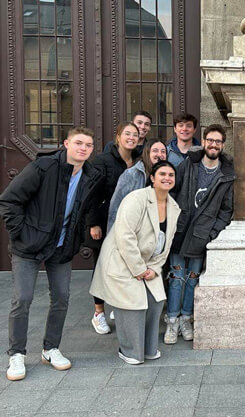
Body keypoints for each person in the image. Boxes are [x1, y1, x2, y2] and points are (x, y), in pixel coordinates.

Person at [0, 127, 103, 381]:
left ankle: (50, 348)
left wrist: (77, 238)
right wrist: (21, 233)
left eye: (88, 145)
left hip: (61, 246)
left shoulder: (91, 175)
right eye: (78, 143)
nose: (83, 148)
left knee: (62, 298)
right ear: (66, 143)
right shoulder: (43, 167)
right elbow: (9, 200)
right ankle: (17, 354)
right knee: (22, 299)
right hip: (30, 244)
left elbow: (85, 208)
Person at [90, 161, 180, 364]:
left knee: (156, 300)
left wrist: (153, 269)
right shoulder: (136, 199)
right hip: (122, 260)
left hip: (148, 264)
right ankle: (130, 351)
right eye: (162, 174)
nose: (167, 178)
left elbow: (166, 245)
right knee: (134, 305)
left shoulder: (174, 208)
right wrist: (138, 269)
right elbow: (125, 236)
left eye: (171, 175)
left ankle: (148, 348)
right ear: (152, 178)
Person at [165, 124, 235, 344]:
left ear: (222, 145)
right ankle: (172, 321)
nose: (213, 144)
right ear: (204, 142)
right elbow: (172, 194)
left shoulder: (227, 176)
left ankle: (186, 318)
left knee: (192, 278)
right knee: (177, 277)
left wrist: (211, 233)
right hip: (180, 229)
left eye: (218, 141)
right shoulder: (189, 165)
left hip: (201, 235)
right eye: (210, 140)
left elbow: (226, 210)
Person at [87, 121, 139, 335]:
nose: (131, 138)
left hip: (127, 224)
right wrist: (93, 223)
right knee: (102, 267)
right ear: (118, 137)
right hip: (103, 221)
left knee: (122, 266)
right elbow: (91, 192)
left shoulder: (137, 160)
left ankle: (118, 305)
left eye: (135, 135)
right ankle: (98, 312)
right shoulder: (103, 161)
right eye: (127, 134)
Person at [108, 139, 167, 231]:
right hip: (132, 229)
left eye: (163, 151)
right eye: (155, 151)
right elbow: (116, 205)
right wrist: (112, 234)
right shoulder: (132, 174)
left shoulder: (166, 176)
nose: (160, 154)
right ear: (147, 153)